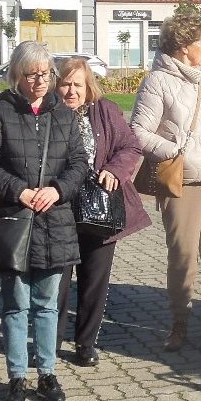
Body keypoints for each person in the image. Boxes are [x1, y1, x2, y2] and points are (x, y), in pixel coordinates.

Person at [0, 42, 89, 401]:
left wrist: (57, 191)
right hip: (16, 221)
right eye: (32, 74)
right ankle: (16, 377)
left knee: (47, 303)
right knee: (15, 304)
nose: (40, 81)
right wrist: (19, 191)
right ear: (16, 75)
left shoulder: (65, 116)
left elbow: (79, 163)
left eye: (45, 74)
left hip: (55, 221)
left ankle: (47, 373)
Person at [130, 10, 201, 353]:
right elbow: (137, 131)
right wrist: (174, 150)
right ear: (182, 47)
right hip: (182, 180)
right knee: (182, 254)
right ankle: (179, 322)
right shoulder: (157, 81)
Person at [55, 56, 150, 368]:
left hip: (100, 206)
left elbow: (131, 147)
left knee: (94, 280)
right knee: (57, 281)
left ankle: (85, 344)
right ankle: (49, 344)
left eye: (77, 84)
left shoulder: (105, 110)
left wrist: (114, 169)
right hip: (60, 209)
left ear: (88, 86)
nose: (71, 91)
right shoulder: (48, 114)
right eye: (65, 84)